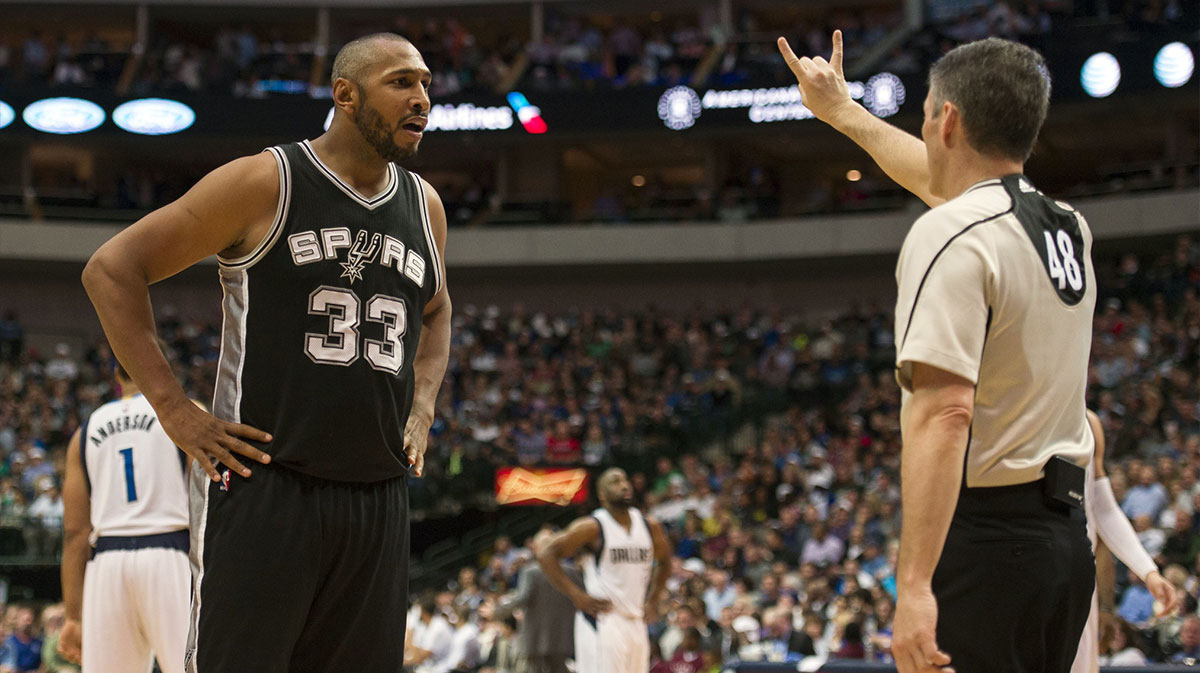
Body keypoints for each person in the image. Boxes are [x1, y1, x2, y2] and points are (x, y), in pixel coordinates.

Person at [81, 32, 451, 673]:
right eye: (401, 83)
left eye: (425, 84)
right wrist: (173, 408)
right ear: (345, 94)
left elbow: (437, 309)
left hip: (380, 495)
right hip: (266, 484)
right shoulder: (266, 180)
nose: (421, 99)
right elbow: (113, 269)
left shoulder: (426, 207)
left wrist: (422, 404)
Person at [779, 32, 1094, 673]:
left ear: (946, 119)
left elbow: (946, 413)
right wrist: (842, 111)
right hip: (1062, 545)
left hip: (987, 546)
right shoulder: (1066, 225)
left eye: (924, 111)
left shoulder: (948, 232)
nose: (921, 127)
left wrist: (915, 584)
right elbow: (954, 187)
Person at [58, 363, 190, 672]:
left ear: (117, 375)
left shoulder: (84, 432)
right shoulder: (187, 414)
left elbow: (75, 533)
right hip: (170, 553)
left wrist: (73, 617)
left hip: (107, 562)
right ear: (166, 365)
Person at [537, 468, 672, 673]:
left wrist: (654, 599)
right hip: (604, 619)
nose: (624, 485)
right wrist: (576, 595)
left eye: (626, 479)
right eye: (615, 482)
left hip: (636, 618)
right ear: (602, 494)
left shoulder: (649, 525)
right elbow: (546, 554)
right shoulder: (592, 526)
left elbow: (665, 562)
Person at [1072, 410, 1176, 673]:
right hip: (1018, 568)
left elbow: (1103, 510)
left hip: (1077, 580)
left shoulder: (1089, 422)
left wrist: (1147, 571)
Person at [498, 529, 580, 673]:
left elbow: (521, 599)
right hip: (562, 637)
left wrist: (497, 611)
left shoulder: (531, 571)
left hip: (535, 639)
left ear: (535, 547)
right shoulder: (571, 571)